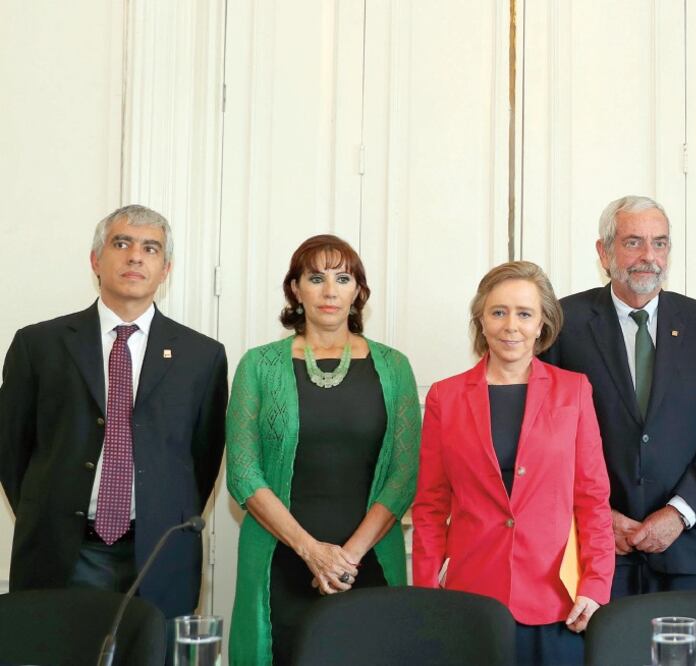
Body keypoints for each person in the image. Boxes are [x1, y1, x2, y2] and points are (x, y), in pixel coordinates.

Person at [0, 204, 228, 619]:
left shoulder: (202, 356)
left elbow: (203, 458)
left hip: (159, 555)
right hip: (62, 554)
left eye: (150, 248)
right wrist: (48, 508)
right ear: (95, 260)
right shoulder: (40, 345)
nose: (135, 256)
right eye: (121, 243)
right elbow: (11, 450)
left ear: (166, 269)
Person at [226, 234, 421, 665]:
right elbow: (242, 472)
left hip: (367, 566)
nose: (330, 291)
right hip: (280, 562)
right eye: (316, 278)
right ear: (296, 289)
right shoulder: (258, 365)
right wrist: (312, 551)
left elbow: (404, 475)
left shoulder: (394, 366)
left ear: (358, 290)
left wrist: (344, 559)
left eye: (343, 278)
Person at [412, 261, 613, 666]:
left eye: (524, 314)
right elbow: (430, 506)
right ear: (481, 320)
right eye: (498, 312)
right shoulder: (444, 398)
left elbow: (592, 499)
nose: (511, 326)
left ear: (542, 324)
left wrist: (595, 585)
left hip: (557, 602)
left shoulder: (573, 392)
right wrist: (427, 594)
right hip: (470, 598)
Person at [541, 195, 696, 597]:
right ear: (604, 251)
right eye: (633, 242)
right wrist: (598, 516)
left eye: (660, 242)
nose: (649, 256)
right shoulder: (565, 322)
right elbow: (548, 437)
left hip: (684, 547)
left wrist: (679, 514)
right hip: (595, 547)